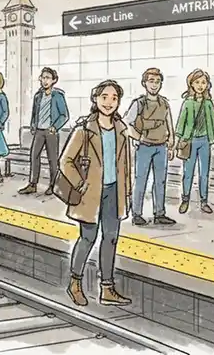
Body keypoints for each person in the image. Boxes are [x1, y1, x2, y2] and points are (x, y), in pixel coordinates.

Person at [60, 79, 135, 307]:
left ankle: (107, 289)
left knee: (111, 238)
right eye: (104, 97)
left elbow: (125, 165)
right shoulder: (84, 129)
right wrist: (79, 183)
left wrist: (127, 193)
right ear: (95, 99)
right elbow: (65, 161)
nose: (109, 102)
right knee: (88, 238)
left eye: (114, 98)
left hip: (114, 192)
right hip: (89, 194)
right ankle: (75, 283)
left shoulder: (121, 130)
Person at [122, 68, 177, 226]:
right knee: (141, 181)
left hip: (161, 147)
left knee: (160, 181)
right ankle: (136, 214)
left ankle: (159, 213)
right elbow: (126, 123)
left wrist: (171, 144)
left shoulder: (164, 103)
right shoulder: (139, 103)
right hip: (144, 147)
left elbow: (169, 124)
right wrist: (138, 137)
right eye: (151, 81)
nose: (154, 85)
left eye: (157, 82)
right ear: (144, 83)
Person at [175, 68, 214, 215]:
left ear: (207, 85)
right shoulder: (187, 103)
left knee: (204, 173)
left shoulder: (208, 103)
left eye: (203, 82)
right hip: (190, 142)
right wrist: (178, 139)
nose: (200, 85)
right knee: (188, 173)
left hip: (205, 141)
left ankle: (204, 201)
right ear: (191, 84)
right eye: (197, 82)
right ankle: (185, 200)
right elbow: (181, 122)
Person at [19, 67, 69, 195]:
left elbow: (64, 115)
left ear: (54, 80)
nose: (45, 80)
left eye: (48, 78)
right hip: (39, 131)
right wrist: (33, 125)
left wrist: (55, 127)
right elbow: (34, 113)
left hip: (51, 132)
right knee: (34, 156)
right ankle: (32, 184)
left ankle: (53, 185)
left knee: (52, 159)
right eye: (43, 77)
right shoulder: (38, 96)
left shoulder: (58, 96)